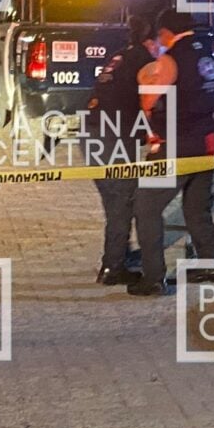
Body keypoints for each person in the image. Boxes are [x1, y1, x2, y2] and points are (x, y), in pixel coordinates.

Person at [127, 9, 214, 297]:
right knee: (196, 207)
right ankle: (210, 265)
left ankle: (153, 277)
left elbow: (149, 101)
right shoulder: (207, 55)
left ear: (166, 33)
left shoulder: (171, 58)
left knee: (146, 206)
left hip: (178, 144)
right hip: (209, 143)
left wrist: (147, 81)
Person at [86, 15, 158, 286]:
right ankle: (113, 268)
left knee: (114, 198)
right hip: (112, 136)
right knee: (121, 200)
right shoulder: (144, 60)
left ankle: (119, 253)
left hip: (92, 131)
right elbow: (150, 101)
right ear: (151, 41)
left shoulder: (121, 56)